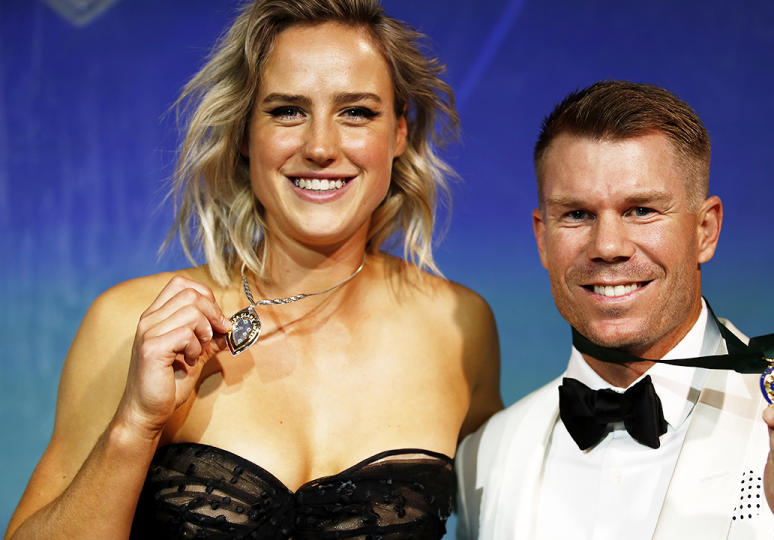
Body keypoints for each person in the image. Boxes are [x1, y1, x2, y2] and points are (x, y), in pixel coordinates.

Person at [6, 1, 502, 538]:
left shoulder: (458, 327)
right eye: (287, 110)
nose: (319, 146)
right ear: (245, 134)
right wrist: (135, 427)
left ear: (399, 132)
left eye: (356, 111)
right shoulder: (133, 322)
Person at [455, 81, 774, 540]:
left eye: (641, 210)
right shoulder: (487, 453)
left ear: (705, 230)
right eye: (577, 214)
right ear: (542, 238)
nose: (606, 246)